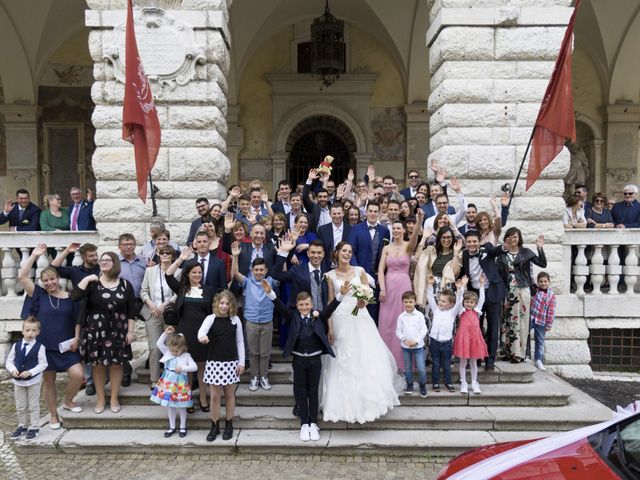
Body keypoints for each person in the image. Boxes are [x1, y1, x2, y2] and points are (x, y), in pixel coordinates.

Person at [320, 241, 400, 424]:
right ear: (337, 253)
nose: (347, 254)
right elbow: (330, 302)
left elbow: (369, 293)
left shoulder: (360, 271)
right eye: (344, 251)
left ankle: (369, 402)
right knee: (342, 360)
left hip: (360, 317)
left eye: (349, 251)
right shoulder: (330, 275)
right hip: (340, 319)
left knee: (364, 357)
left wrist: (365, 300)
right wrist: (330, 328)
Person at [266, 282, 343, 442]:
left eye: (307, 304)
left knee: (313, 391)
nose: (304, 307)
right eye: (301, 305)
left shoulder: (318, 315)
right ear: (297, 305)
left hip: (315, 359)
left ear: (312, 304)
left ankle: (313, 423)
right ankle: (304, 423)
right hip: (299, 359)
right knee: (301, 391)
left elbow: (330, 309)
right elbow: (280, 306)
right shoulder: (293, 316)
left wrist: (340, 295)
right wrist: (270, 293)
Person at [18, 244, 84, 430]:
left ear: (58, 279)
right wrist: (34, 256)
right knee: (49, 382)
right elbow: (22, 276)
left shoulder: (70, 297)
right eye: (45, 280)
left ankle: (69, 401)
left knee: (78, 375)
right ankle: (53, 415)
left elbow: (77, 320)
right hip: (44, 347)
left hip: (67, 346)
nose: (49, 283)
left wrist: (77, 339)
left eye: (52, 279)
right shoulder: (38, 295)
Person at [71, 252, 136, 414]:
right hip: (96, 332)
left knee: (116, 364)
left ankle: (114, 397)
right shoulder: (92, 283)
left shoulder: (125, 285)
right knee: (98, 365)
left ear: (115, 263)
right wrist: (86, 279)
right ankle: (100, 398)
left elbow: (131, 311)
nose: (104, 262)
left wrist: (131, 331)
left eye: (108, 260)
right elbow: (75, 297)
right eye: (102, 260)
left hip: (118, 331)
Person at [165, 247, 214, 412]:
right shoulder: (181, 289)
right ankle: (187, 399)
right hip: (185, 333)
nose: (197, 275)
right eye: (194, 272)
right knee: (187, 368)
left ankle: (202, 397)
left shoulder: (208, 290)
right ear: (187, 274)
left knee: (201, 367)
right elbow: (168, 275)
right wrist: (180, 260)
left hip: (202, 334)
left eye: (199, 272)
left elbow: (211, 313)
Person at [51, 242, 100, 395]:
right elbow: (54, 268)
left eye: (95, 254)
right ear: (84, 256)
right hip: (78, 314)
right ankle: (90, 381)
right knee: (83, 348)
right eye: (91, 255)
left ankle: (101, 379)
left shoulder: (101, 269)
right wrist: (67, 251)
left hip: (97, 313)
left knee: (97, 347)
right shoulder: (74, 270)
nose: (95, 257)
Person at [197, 290, 245, 442]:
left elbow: (240, 342)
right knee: (215, 397)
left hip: (231, 363)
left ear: (232, 305)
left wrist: (242, 362)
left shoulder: (235, 320)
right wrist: (203, 337)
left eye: (227, 303)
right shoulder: (210, 318)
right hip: (214, 363)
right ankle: (214, 425)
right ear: (217, 304)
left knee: (230, 395)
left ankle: (229, 424)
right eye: (221, 303)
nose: (224, 306)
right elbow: (201, 332)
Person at [377, 210, 423, 367]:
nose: (396, 231)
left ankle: (403, 363)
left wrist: (419, 220)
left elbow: (415, 236)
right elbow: (380, 270)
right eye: (394, 228)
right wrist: (382, 289)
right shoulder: (386, 248)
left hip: (403, 285)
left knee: (403, 321)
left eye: (399, 228)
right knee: (387, 321)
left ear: (404, 231)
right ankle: (386, 361)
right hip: (388, 286)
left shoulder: (408, 247)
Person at [231, 244, 277, 391]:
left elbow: (282, 270)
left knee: (264, 352)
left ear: (266, 270)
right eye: (256, 270)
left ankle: (264, 376)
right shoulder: (247, 282)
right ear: (252, 270)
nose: (258, 272)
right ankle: (254, 377)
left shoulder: (270, 281)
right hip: (251, 321)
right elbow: (235, 273)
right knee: (253, 351)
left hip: (267, 321)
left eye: (261, 270)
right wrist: (236, 256)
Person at [497, 228, 546, 363]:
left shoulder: (526, 252)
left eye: (516, 236)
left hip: (522, 289)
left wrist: (540, 248)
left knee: (521, 321)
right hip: (508, 292)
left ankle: (519, 353)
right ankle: (508, 352)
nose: (513, 239)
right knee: (507, 321)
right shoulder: (502, 255)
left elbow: (542, 264)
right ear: (506, 238)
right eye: (511, 236)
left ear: (519, 238)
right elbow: (499, 274)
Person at [461, 230, 506, 371]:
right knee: (475, 328)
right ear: (465, 243)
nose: (472, 244)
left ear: (478, 241)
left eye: (474, 241)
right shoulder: (464, 255)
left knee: (493, 327)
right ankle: (475, 358)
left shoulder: (486, 248)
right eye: (469, 241)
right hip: (475, 295)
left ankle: (490, 360)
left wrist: (504, 247)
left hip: (491, 293)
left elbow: (496, 251)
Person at [150, 326, 197, 438]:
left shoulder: (186, 356)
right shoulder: (168, 353)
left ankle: (182, 427)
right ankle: (171, 427)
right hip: (168, 384)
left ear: (184, 348)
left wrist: (183, 368)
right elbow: (159, 344)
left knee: (182, 406)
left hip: (180, 384)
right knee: (170, 406)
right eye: (172, 350)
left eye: (177, 351)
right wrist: (165, 334)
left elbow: (194, 367)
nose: (174, 353)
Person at [140, 245, 177, 388]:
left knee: (171, 346)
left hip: (170, 313)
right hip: (153, 312)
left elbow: (178, 292)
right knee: (154, 347)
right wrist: (150, 304)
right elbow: (143, 290)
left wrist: (165, 304)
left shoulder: (178, 271)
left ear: (173, 256)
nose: (165, 255)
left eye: (168, 253)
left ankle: (171, 377)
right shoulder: (150, 271)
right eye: (162, 253)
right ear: (158, 255)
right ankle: (154, 379)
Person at [348, 201, 390, 324]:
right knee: (358, 307)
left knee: (374, 309)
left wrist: (381, 274)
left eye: (375, 211)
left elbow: (385, 254)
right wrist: (359, 272)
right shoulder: (356, 229)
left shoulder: (384, 231)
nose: (372, 213)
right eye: (370, 211)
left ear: (379, 213)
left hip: (377, 277)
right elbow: (352, 251)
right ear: (366, 212)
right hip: (359, 275)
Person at [6, 316, 47, 441]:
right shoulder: (16, 346)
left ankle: (34, 427)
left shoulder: (40, 347)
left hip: (33, 381)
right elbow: (9, 361)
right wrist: (13, 370)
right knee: (20, 405)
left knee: (33, 405)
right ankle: (22, 425)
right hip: (18, 382)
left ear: (38, 332)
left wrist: (30, 371)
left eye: (34, 330)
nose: (30, 333)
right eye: (28, 330)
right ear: (22, 331)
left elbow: (43, 364)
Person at [426, 275, 465, 392]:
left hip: (446, 343)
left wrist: (459, 290)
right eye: (440, 300)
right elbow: (430, 298)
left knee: (447, 365)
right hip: (434, 342)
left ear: (450, 304)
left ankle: (448, 383)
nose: (440, 302)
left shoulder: (452, 313)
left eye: (443, 301)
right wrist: (429, 285)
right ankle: (436, 383)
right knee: (436, 364)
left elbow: (459, 303)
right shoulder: (436, 309)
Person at [117, 233, 147, 386]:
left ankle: (153, 358)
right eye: (125, 244)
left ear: (135, 245)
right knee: (122, 336)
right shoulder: (115, 262)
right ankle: (125, 371)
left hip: (142, 302)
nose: (128, 247)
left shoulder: (143, 261)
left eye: (131, 244)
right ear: (119, 246)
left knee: (155, 323)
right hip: (122, 304)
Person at [452, 276, 488, 394]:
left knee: (473, 362)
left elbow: (482, 299)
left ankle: (474, 382)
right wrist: (463, 286)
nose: (469, 304)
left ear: (475, 303)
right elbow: (459, 299)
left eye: (471, 302)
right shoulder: (461, 311)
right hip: (464, 338)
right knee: (463, 362)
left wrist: (481, 286)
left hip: (474, 339)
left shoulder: (477, 311)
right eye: (467, 302)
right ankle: (463, 382)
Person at [413, 227, 463, 310]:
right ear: (439, 238)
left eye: (448, 237)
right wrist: (424, 237)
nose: (446, 240)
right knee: (431, 318)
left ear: (452, 238)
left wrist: (455, 253)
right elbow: (417, 256)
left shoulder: (458, 253)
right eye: (443, 237)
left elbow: (455, 272)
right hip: (431, 289)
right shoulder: (432, 251)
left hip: (447, 292)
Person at [395, 291, 428, 398]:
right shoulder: (401, 316)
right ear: (403, 302)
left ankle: (422, 384)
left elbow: (424, 330)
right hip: (406, 347)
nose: (408, 304)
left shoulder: (419, 315)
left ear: (414, 302)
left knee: (421, 367)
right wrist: (404, 340)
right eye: (406, 302)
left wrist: (416, 341)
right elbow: (398, 331)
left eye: (410, 302)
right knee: (408, 367)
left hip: (418, 346)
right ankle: (410, 384)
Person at [530, 272, 556, 371]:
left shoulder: (551, 295)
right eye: (541, 281)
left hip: (542, 321)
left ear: (549, 282)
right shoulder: (535, 290)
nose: (543, 283)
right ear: (538, 282)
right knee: (523, 335)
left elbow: (551, 311)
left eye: (545, 281)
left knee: (540, 341)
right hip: (531, 318)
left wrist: (549, 324)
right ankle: (522, 354)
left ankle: (538, 360)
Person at [317, 203, 351, 271]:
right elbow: (320, 249)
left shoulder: (351, 229)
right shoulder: (322, 230)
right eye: (334, 214)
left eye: (339, 213)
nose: (337, 216)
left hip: (346, 267)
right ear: (330, 214)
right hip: (327, 268)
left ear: (343, 213)